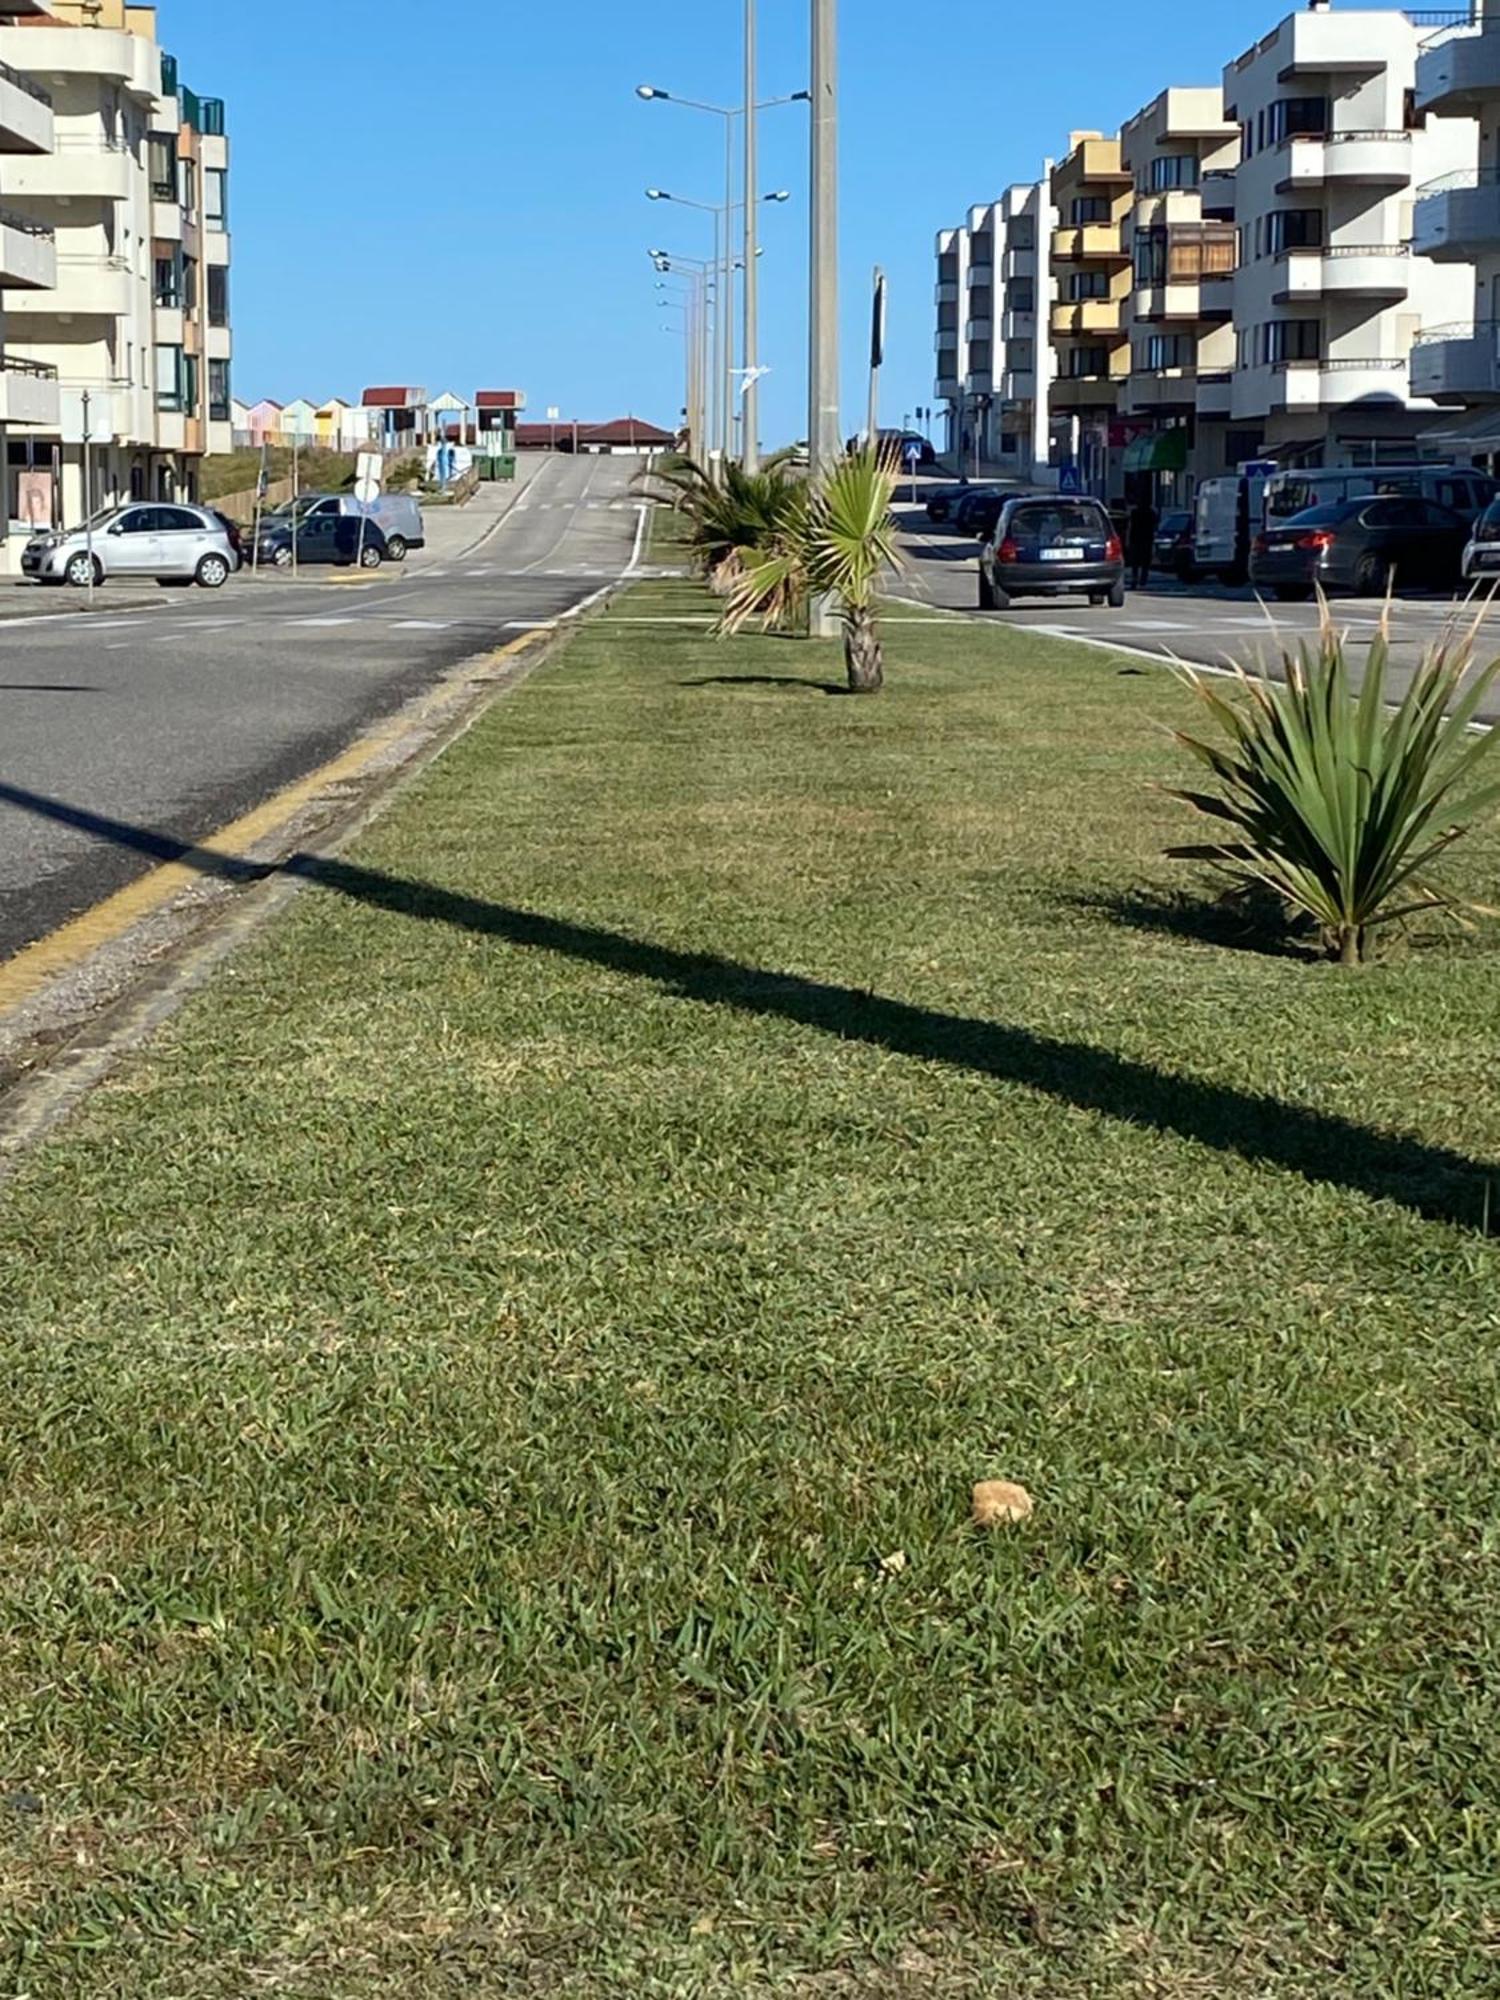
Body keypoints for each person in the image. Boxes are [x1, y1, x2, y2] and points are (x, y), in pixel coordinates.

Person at [1127, 495, 1158, 591]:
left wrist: (1128, 540)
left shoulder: (1135, 513)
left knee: (1135, 563)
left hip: (1136, 539)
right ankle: (1142, 579)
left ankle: (1135, 579)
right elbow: (1154, 527)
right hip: (1146, 539)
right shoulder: (1151, 513)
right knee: (1145, 562)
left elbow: (1130, 526)